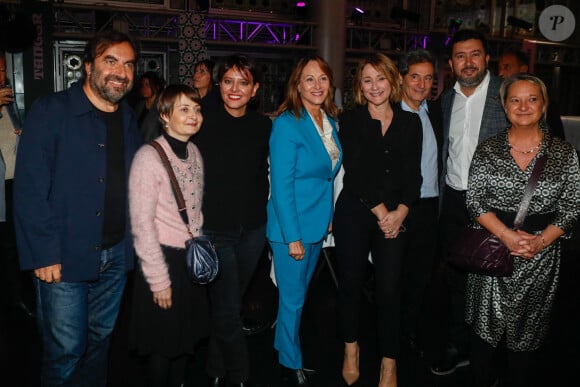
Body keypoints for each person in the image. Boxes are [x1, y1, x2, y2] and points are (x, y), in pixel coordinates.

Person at [13, 30, 143, 386]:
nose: (121, 71)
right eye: (110, 61)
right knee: (67, 352)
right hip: (63, 257)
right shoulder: (51, 110)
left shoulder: (129, 118)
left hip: (116, 256)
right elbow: (29, 188)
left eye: (129, 64)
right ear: (88, 66)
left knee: (100, 343)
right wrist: (42, 253)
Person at [465, 73, 580, 386]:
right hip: (491, 254)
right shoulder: (488, 150)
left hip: (540, 260)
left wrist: (540, 242)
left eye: (532, 99)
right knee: (483, 338)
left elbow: (572, 208)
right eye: (515, 99)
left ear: (543, 106)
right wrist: (507, 235)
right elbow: (474, 202)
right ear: (504, 106)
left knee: (527, 340)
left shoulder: (564, 154)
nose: (523, 106)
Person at [334, 53, 422, 387]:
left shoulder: (411, 123)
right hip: (355, 213)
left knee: (389, 289)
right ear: (360, 86)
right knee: (351, 285)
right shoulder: (351, 120)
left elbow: (414, 177)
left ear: (393, 81)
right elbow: (355, 174)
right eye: (367, 80)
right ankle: (351, 349)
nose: (375, 87)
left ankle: (389, 361)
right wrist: (384, 211)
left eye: (381, 78)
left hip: (397, 216)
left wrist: (401, 211)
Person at [431, 29, 509, 376]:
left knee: (495, 281)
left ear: (486, 58)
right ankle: (458, 343)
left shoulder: (508, 95)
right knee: (455, 279)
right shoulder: (445, 101)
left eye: (475, 54)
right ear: (451, 64)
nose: (468, 62)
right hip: (452, 202)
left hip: (495, 206)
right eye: (460, 56)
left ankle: (489, 353)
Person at [192, 54, 271, 387]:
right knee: (226, 308)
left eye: (243, 82)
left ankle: (214, 369)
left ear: (254, 90)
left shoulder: (264, 126)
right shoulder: (201, 121)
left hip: (253, 229)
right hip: (215, 230)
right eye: (228, 81)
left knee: (230, 304)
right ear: (219, 85)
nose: (234, 89)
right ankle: (240, 375)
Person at [267, 55, 342, 387]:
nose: (317, 86)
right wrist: (292, 235)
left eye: (323, 79)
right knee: (293, 299)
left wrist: (328, 218)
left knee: (298, 296)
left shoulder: (328, 121)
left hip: (315, 224)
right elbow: (281, 186)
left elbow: (327, 177)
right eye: (309, 79)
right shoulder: (287, 123)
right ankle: (288, 362)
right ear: (297, 85)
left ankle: (284, 347)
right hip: (291, 229)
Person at [128, 84, 209, 387]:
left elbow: (195, 208)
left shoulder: (194, 152)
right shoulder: (148, 158)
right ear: (163, 114)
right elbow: (142, 224)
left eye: (197, 108)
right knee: (162, 346)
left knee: (184, 340)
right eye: (184, 109)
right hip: (162, 261)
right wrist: (159, 280)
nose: (194, 115)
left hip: (188, 259)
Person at [397, 48, 443, 354]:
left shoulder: (435, 113)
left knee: (420, 274)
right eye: (415, 76)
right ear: (401, 78)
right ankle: (390, 332)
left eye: (428, 78)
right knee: (392, 274)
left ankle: (408, 330)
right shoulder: (387, 113)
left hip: (429, 206)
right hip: (398, 208)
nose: (421, 84)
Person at [0, 51, 34, 318]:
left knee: (13, 243)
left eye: (3, 70)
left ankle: (16, 298)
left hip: (13, 183)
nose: (2, 76)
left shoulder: (8, 104)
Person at [497, 49, 566, 140]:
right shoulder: (490, 147)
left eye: (507, 67)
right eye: (515, 100)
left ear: (523, 69)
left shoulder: (559, 149)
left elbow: (557, 135)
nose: (500, 73)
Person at [134, 71, 165, 142]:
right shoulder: (140, 105)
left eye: (147, 85)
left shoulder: (162, 106)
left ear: (156, 86)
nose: (144, 88)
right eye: (142, 85)